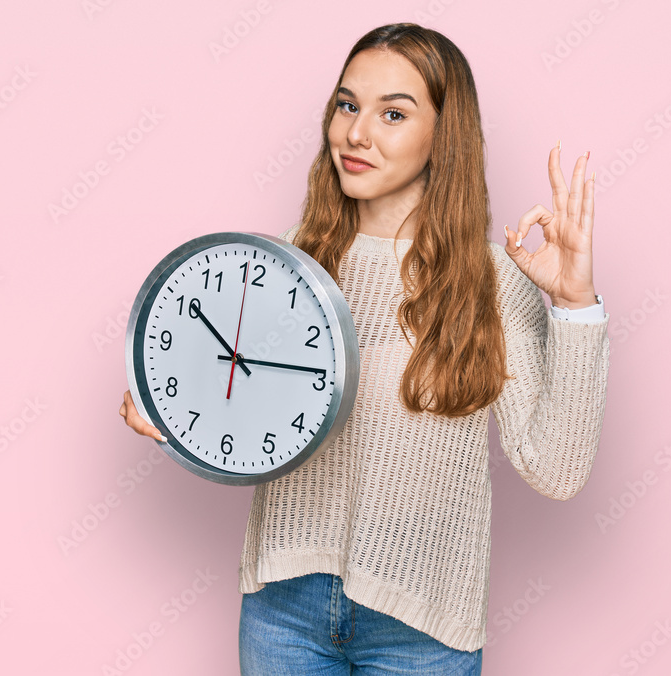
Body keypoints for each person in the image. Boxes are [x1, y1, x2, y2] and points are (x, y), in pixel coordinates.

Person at [119, 22, 610, 675]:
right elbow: (262, 417)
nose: (357, 132)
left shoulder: (492, 281)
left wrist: (575, 307)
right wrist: (175, 424)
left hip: (420, 625)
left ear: (445, 136)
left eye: (393, 113)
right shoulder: (292, 257)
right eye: (348, 105)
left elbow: (558, 470)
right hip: (282, 609)